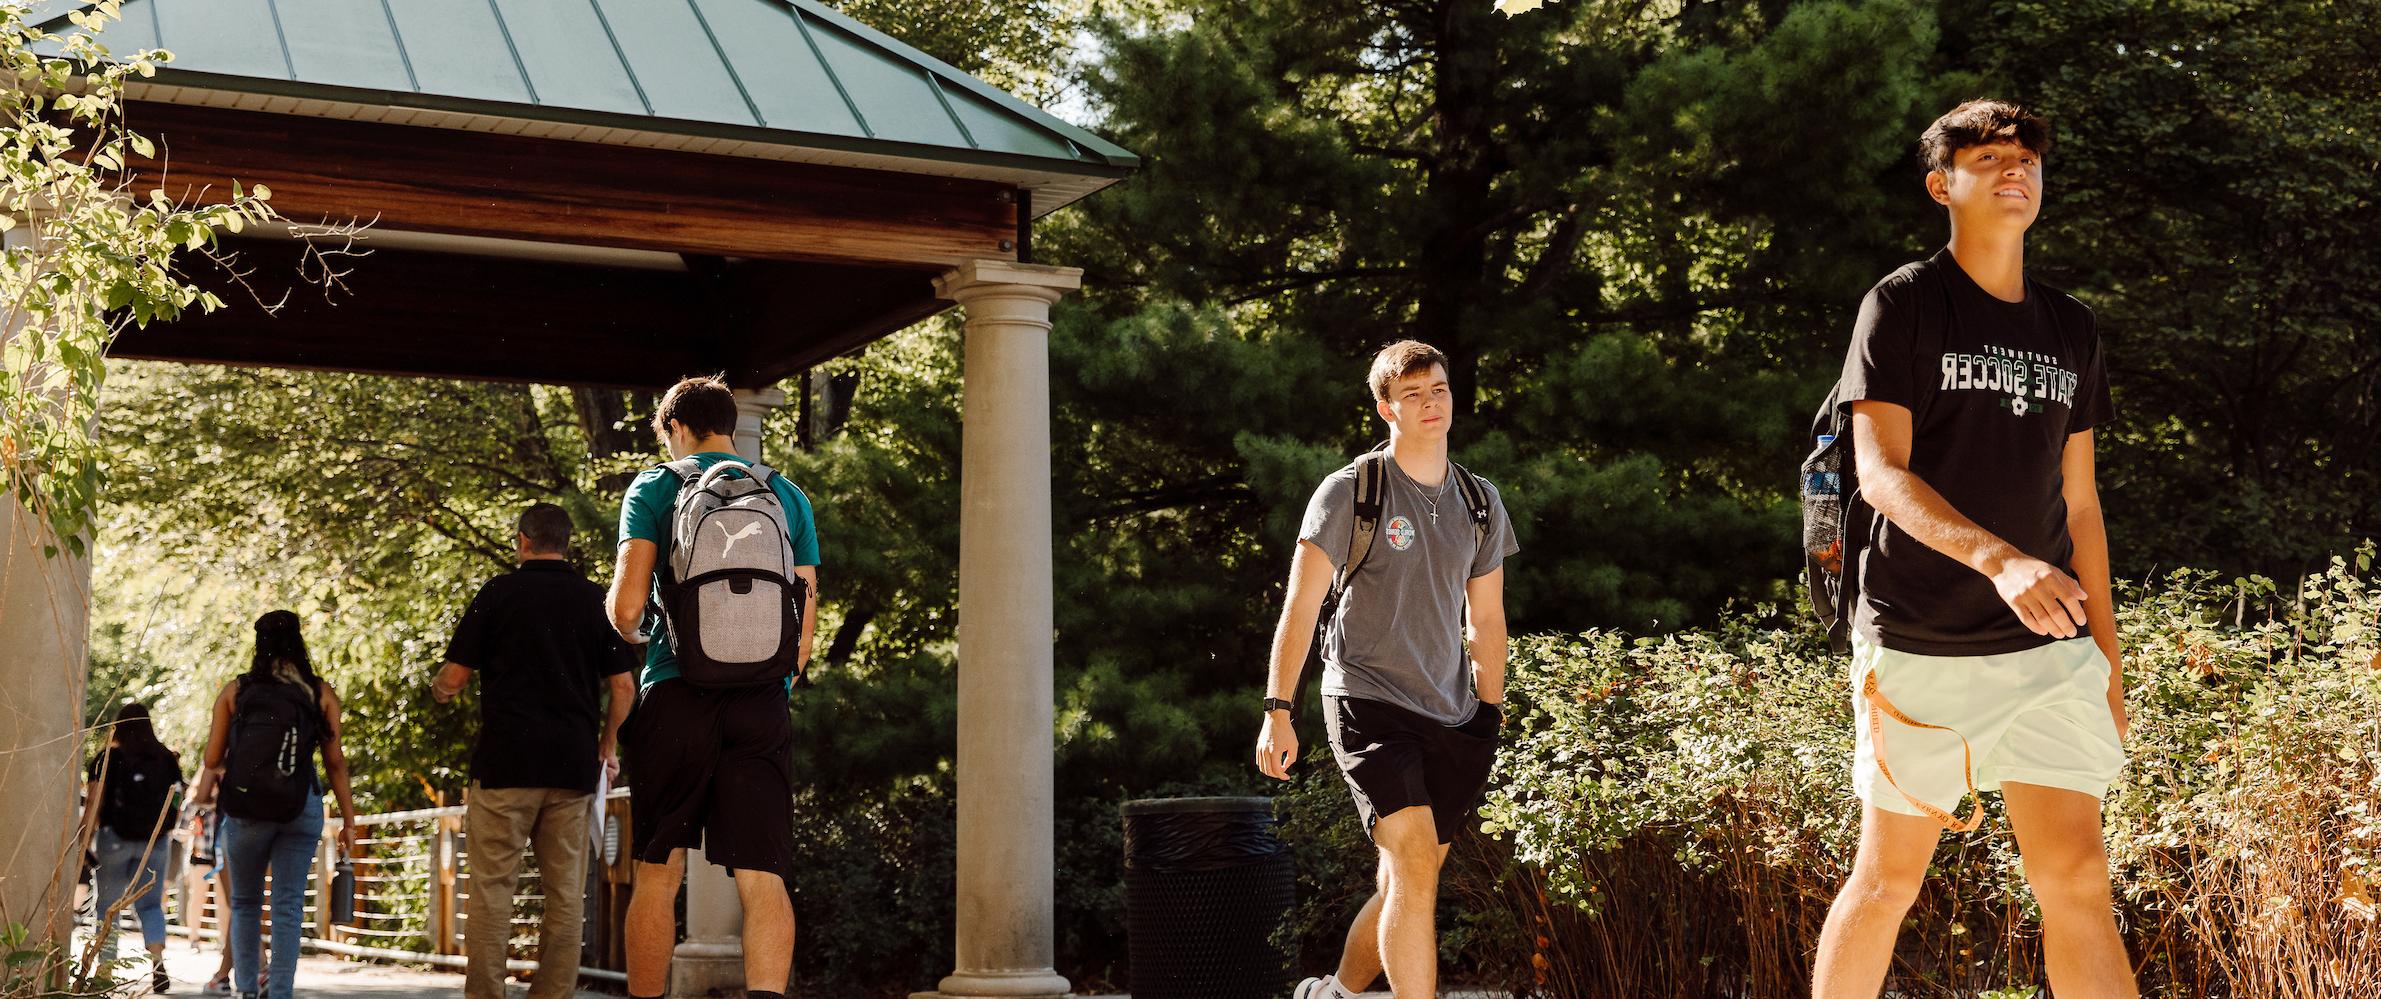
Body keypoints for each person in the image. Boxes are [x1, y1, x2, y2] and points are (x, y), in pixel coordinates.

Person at [1809, 99, 2134, 998]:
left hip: (2047, 650)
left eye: (2025, 157)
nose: (2012, 170)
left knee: (2076, 879)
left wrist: (2107, 657)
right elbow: (1877, 473)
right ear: (1939, 184)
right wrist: (2000, 560)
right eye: (1987, 157)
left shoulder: (2070, 326)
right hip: (1920, 640)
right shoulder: (1903, 303)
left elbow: (2081, 505)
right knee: (1888, 881)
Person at [1255, 341, 1519, 999]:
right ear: (1385, 409)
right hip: (1366, 699)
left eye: (1438, 389)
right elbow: (1301, 603)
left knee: (1410, 875)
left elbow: (1486, 619)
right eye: (1412, 394)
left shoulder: (1478, 501)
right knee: (1413, 866)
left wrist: (1489, 711)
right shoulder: (1351, 492)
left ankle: (1335, 993)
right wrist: (1276, 708)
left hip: (1453, 712)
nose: (1429, 403)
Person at [605, 375, 819, 999]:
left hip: (676, 695)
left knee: (658, 873)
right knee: (763, 878)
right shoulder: (786, 495)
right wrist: (769, 683)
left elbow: (625, 608)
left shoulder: (657, 485)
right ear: (729, 425)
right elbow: (802, 629)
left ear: (673, 427)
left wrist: (635, 629)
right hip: (760, 703)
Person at [431, 502, 637, 999]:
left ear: (523, 541)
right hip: (570, 770)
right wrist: (606, 744)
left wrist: (440, 688)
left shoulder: (499, 594)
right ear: (564, 543)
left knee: (491, 894)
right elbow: (625, 687)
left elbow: (454, 679)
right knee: (566, 897)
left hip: (504, 767)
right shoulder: (595, 601)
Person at [191, 611, 359, 999]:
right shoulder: (320, 693)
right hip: (301, 807)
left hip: (247, 811)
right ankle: (281, 992)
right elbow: (335, 762)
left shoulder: (236, 691)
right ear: (299, 642)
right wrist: (349, 820)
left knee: (246, 902)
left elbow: (213, 758)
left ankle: (249, 991)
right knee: (287, 905)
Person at [78, 702, 185, 994]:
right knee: (150, 906)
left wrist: (83, 841)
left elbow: (94, 805)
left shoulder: (105, 759)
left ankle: (105, 974)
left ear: (118, 727)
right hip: (155, 842)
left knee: (108, 909)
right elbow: (178, 799)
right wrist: (167, 829)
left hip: (114, 840)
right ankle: (158, 962)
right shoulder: (166, 758)